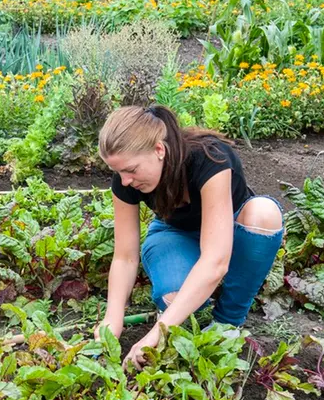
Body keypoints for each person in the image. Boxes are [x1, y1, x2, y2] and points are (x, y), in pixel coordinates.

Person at [92, 105, 284, 370]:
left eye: (131, 170)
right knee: (175, 298)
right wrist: (113, 320)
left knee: (265, 214)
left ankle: (228, 322)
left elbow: (215, 260)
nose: (125, 181)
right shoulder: (125, 182)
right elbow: (125, 257)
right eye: (118, 172)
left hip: (231, 232)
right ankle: (186, 304)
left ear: (159, 150)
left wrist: (156, 333)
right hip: (175, 234)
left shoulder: (211, 159)